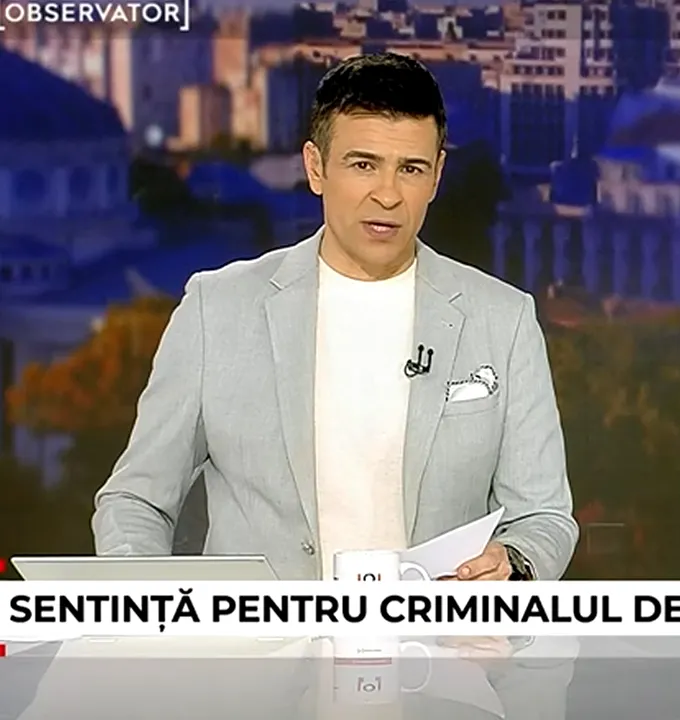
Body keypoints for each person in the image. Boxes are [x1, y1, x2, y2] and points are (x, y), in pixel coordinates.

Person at [92, 53, 578, 581]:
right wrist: (148, 607)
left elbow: (543, 516)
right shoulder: (218, 309)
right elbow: (136, 500)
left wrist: (515, 563)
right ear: (315, 167)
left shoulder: (503, 319)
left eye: (410, 169)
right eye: (363, 165)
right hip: (259, 633)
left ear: (437, 175)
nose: (387, 195)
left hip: (438, 633)